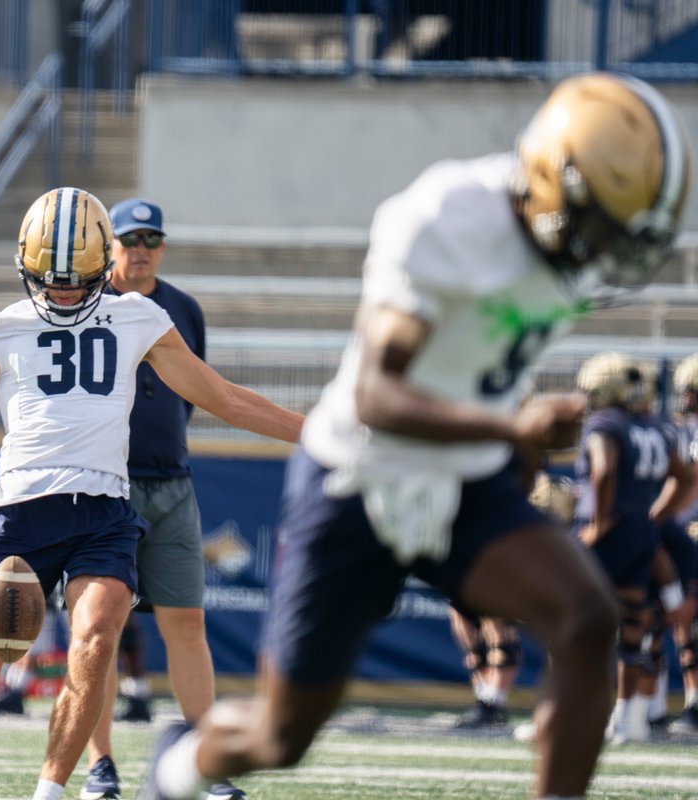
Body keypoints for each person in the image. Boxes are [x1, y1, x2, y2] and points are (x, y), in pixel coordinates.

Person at [141, 71, 691, 800]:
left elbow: (478, 365)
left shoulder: (564, 247)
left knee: (587, 618)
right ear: (554, 185)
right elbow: (377, 395)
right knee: (282, 734)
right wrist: (511, 427)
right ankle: (176, 768)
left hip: (465, 478)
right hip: (359, 479)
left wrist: (515, 449)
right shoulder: (449, 214)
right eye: (600, 229)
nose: (604, 252)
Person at [0, 187, 303, 800]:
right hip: (18, 514)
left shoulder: (141, 319)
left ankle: (52, 789)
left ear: (104, 269)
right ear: (26, 267)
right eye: (52, 280)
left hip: (103, 511)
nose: (65, 291)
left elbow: (223, 397)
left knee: (96, 637)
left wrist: (320, 434)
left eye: (77, 280)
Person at [78, 197, 244, 800]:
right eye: (129, 238)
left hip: (171, 481)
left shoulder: (184, 308)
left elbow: (195, 394)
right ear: (109, 245)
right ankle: (100, 765)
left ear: (163, 246)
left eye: (152, 238)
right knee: (100, 630)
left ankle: (204, 762)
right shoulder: (87, 301)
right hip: (106, 485)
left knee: (186, 620)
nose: (141, 248)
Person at [572, 351, 691, 743]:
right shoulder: (655, 427)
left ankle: (568, 712)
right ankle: (626, 718)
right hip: (641, 534)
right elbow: (687, 476)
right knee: (634, 627)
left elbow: (604, 469)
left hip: (608, 535)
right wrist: (657, 514)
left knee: (572, 624)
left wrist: (600, 521)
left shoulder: (605, 423)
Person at [667, 354, 698, 734]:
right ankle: (690, 702)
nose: (685, 396)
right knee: (683, 621)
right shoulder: (677, 430)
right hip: (685, 532)